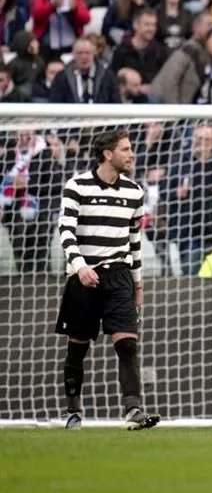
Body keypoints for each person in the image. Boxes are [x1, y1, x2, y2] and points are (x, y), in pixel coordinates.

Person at [56, 130, 160, 431]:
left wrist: (138, 283)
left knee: (127, 344)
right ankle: (73, 412)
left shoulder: (133, 192)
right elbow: (66, 231)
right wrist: (79, 266)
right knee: (78, 346)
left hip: (120, 276)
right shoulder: (76, 186)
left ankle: (133, 410)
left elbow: (134, 241)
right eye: (125, 149)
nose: (131, 154)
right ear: (107, 154)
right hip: (84, 276)